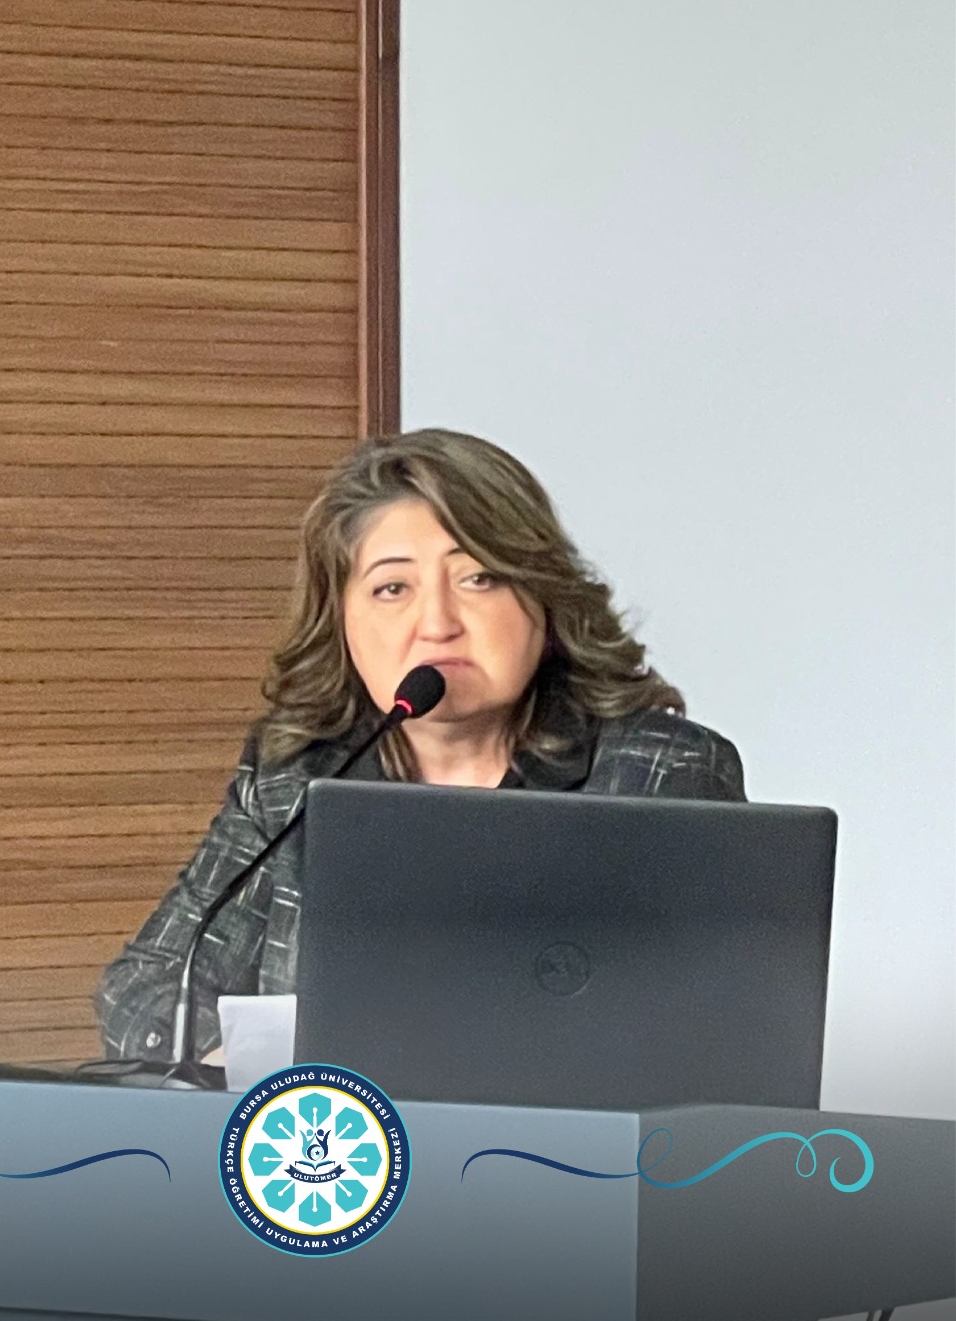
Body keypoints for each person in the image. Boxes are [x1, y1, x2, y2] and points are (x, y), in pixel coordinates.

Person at [95, 428, 745, 1063]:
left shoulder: (659, 774)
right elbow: (145, 988)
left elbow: (719, 1030)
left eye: (479, 579)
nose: (436, 624)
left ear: (544, 601)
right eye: (392, 588)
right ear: (341, 622)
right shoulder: (296, 775)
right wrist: (238, 1063)